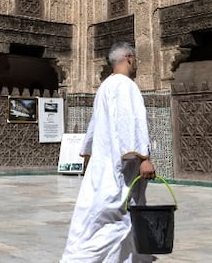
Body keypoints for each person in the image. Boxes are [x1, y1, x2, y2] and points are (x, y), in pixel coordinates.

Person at [61, 42, 156, 262]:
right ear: (129, 58)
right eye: (136, 61)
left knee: (107, 215)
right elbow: (130, 123)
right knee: (114, 219)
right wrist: (143, 158)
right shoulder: (126, 85)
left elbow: (93, 125)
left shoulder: (104, 87)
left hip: (103, 165)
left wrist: (88, 155)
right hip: (120, 168)